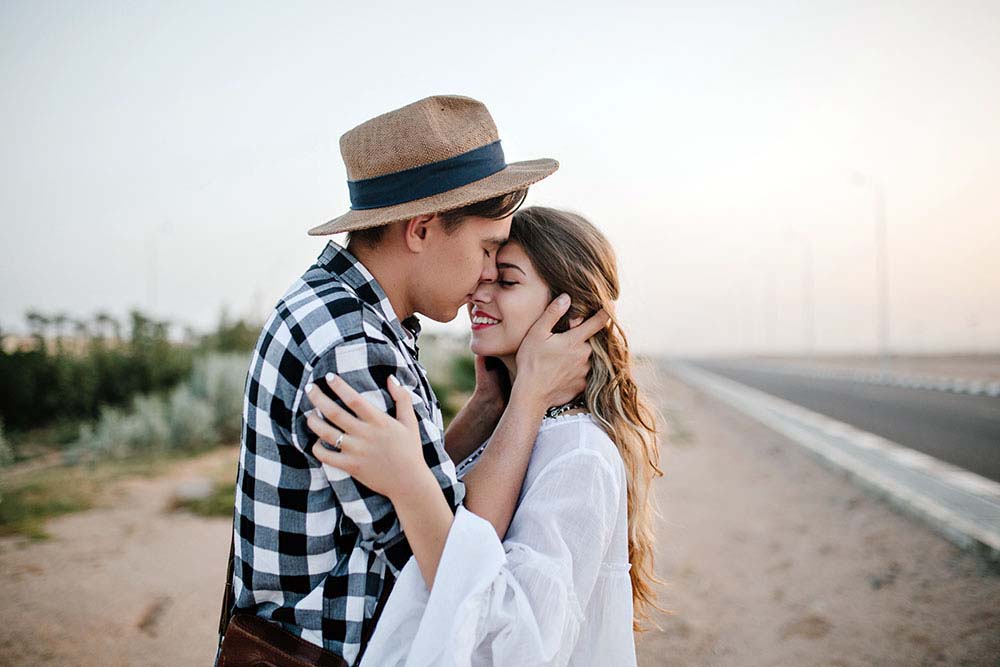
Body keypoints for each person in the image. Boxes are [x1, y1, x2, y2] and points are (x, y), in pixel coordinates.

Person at [226, 96, 608, 666]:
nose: (484, 274)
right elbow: (449, 555)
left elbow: (411, 481)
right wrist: (529, 396)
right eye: (486, 249)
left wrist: (484, 408)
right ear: (423, 229)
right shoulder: (351, 346)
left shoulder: (351, 311)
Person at [307, 206, 664, 666]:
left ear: (569, 312)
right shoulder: (514, 425)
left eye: (507, 281)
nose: (479, 291)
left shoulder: (580, 455)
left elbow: (512, 642)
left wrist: (409, 482)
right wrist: (492, 406)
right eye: (485, 272)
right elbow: (459, 512)